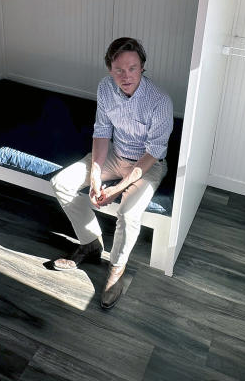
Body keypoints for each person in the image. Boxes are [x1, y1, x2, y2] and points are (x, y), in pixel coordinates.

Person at [50, 37, 173, 309]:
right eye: (119, 69)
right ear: (110, 69)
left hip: (148, 163)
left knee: (128, 213)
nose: (126, 75)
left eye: (132, 68)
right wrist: (95, 175)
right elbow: (102, 132)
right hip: (116, 155)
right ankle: (91, 243)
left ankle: (116, 270)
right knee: (61, 182)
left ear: (142, 67)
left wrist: (116, 190)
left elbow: (153, 153)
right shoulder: (105, 88)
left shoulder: (159, 101)